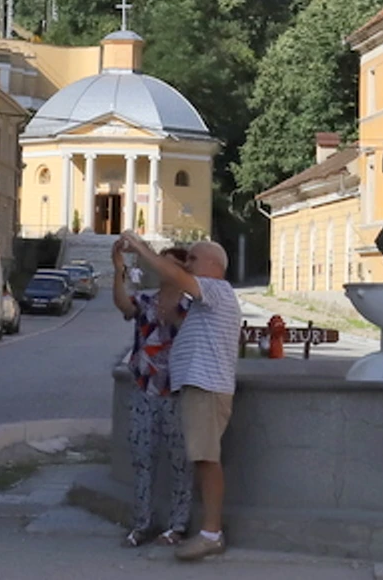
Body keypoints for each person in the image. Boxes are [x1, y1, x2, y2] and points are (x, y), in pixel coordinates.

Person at [118, 231, 242, 562]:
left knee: (206, 459)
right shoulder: (207, 300)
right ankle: (209, 533)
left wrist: (141, 248)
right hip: (200, 388)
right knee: (203, 458)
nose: (187, 265)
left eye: (193, 259)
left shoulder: (215, 288)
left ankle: (211, 534)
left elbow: (174, 274)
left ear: (213, 265)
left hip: (206, 388)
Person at [112, 240, 192, 547]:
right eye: (161, 262)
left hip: (176, 392)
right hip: (144, 389)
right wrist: (118, 269)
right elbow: (123, 305)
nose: (162, 268)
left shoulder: (190, 307)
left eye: (170, 264)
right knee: (142, 457)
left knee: (179, 460)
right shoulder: (146, 300)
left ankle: (177, 525)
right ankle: (141, 524)